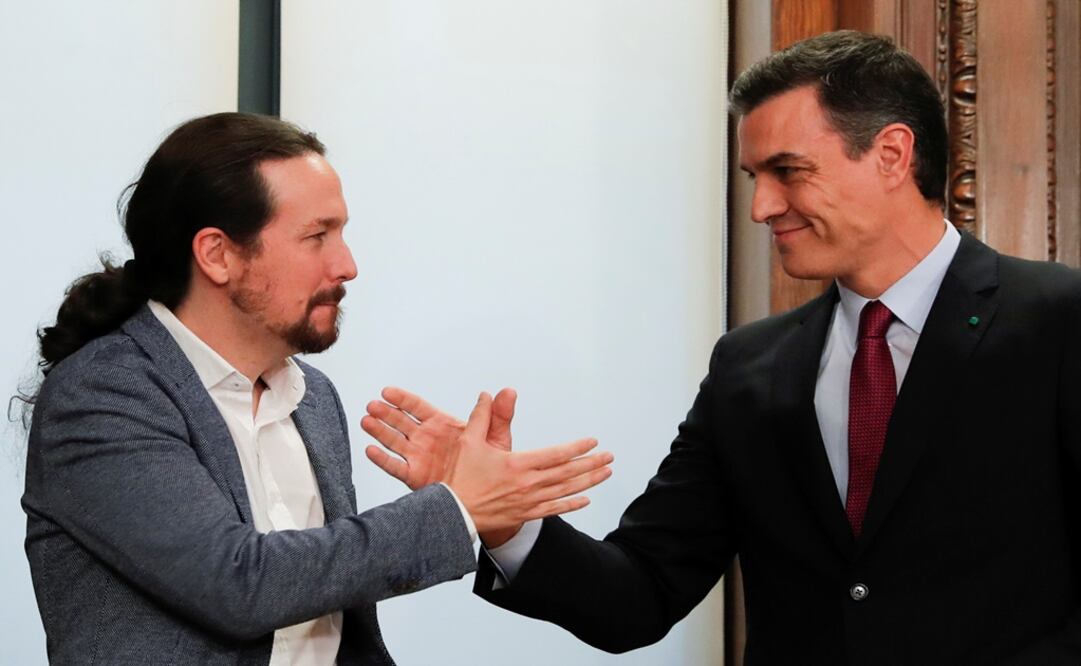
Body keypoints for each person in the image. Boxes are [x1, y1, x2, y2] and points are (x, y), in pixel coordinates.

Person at [363, 31, 1081, 664]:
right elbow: (638, 595)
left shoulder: (1057, 321)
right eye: (753, 178)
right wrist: (505, 520)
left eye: (787, 171)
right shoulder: (749, 368)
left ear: (891, 154)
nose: (762, 206)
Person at [21, 112, 613, 665]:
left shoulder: (314, 397)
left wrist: (469, 502)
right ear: (218, 254)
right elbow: (239, 584)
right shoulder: (104, 395)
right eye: (317, 236)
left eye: (342, 233)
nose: (347, 264)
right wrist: (457, 509)